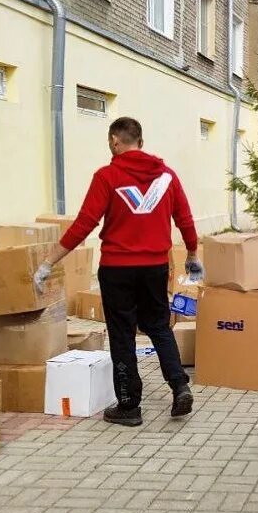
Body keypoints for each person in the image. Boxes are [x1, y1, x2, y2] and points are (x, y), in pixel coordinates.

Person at [34, 117, 201, 427]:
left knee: (122, 334)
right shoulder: (167, 176)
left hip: (117, 270)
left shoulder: (107, 176)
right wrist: (192, 253)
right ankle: (180, 386)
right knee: (159, 327)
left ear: (114, 141)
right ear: (141, 141)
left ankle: (129, 406)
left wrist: (48, 262)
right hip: (155, 268)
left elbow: (84, 223)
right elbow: (185, 219)